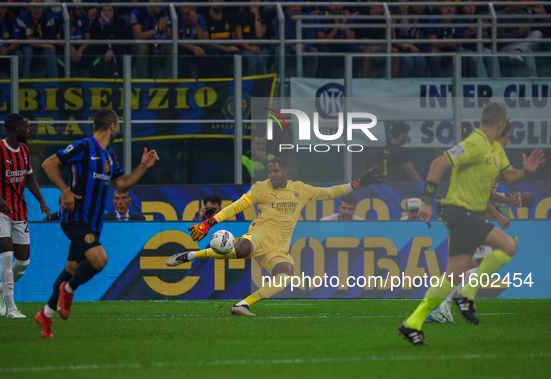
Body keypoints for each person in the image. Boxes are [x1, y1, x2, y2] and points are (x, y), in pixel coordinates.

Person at [398, 102, 545, 345]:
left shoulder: (496, 153)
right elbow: (438, 164)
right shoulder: (476, 144)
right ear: (501, 128)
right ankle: (464, 296)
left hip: (469, 216)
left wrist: (526, 171)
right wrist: (426, 202)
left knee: (453, 275)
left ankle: (412, 323)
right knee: (507, 247)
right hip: (463, 213)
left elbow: (509, 178)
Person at [167, 158, 383, 316]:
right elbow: (236, 206)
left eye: (276, 171)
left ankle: (242, 305)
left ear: (285, 171)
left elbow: (328, 193)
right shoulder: (261, 188)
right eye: (270, 171)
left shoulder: (300, 189)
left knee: (286, 275)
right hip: (259, 235)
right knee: (240, 251)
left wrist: (358, 183)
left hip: (278, 248)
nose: (272, 175)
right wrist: (208, 223)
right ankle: (192, 255)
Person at [35, 109, 158, 339]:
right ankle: (68, 290)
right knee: (99, 260)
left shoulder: (110, 156)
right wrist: (65, 191)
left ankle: (46, 315)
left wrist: (143, 166)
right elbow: (49, 163)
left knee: (71, 269)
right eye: (118, 125)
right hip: (76, 217)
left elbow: (122, 184)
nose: (117, 129)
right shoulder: (83, 146)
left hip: (92, 223)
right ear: (112, 126)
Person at [0, 114, 50, 319]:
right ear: (16, 129)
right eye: (26, 127)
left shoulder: (24, 150)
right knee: (7, 255)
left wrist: (42, 201)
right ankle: (11, 308)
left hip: (19, 210)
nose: (30, 130)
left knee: (23, 263)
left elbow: (30, 178)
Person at [16, 0, 58, 79]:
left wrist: (31, 40)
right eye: (34, 7)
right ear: (29, 7)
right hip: (27, 46)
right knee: (28, 51)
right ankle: (23, 82)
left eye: (39, 7)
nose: (37, 10)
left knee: (50, 51)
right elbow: (22, 39)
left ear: (43, 7)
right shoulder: (21, 17)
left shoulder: (49, 18)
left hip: (42, 47)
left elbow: (49, 39)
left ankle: (54, 82)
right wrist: (41, 43)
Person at [130, 0, 171, 78]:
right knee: (143, 48)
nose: (160, 5)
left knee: (171, 48)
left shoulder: (164, 12)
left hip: (158, 44)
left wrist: (164, 29)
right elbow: (138, 37)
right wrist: (157, 29)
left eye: (161, 2)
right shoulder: (137, 12)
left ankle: (170, 84)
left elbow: (169, 34)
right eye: (157, 2)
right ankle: (143, 85)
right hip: (138, 46)